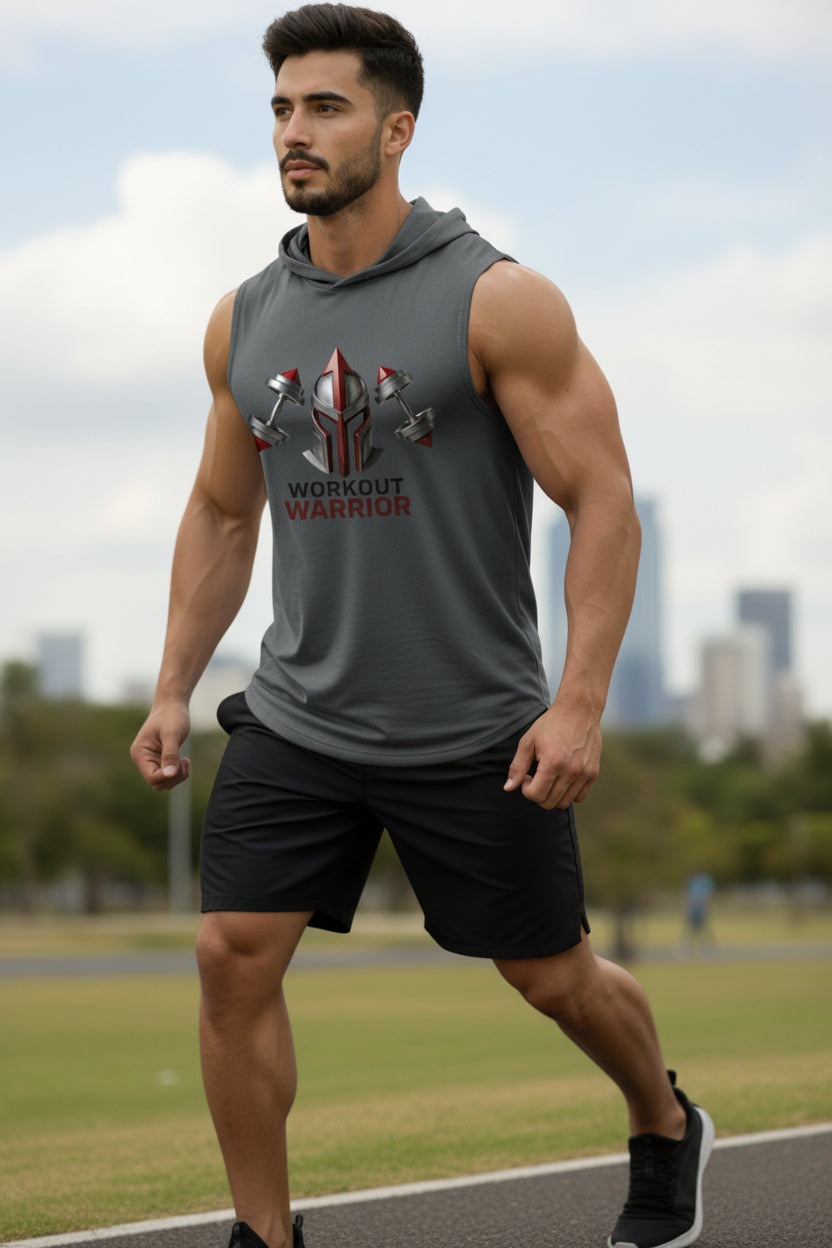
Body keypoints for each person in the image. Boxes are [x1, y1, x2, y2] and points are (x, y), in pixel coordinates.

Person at [130, 6, 714, 1247]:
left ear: (397, 130)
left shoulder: (496, 299)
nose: (294, 132)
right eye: (282, 107)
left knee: (552, 979)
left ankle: (662, 1122)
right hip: (298, 714)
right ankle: (264, 1235)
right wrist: (176, 682)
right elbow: (222, 515)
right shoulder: (244, 319)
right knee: (231, 955)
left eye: (324, 106)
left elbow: (600, 500)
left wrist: (579, 701)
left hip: (474, 726)